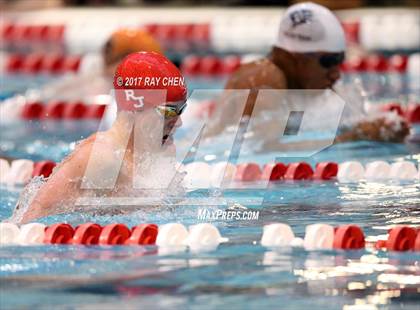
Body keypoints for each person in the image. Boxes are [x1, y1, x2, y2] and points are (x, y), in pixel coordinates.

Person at [12, 52, 187, 223]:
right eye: (169, 111)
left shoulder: (160, 151)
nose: (178, 122)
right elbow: (29, 225)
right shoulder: (102, 156)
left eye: (181, 110)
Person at [205, 2, 409, 143]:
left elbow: (295, 134)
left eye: (339, 61)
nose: (336, 74)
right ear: (294, 57)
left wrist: (375, 127)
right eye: (328, 61)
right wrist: (358, 136)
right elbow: (263, 148)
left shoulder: (305, 85)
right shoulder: (264, 78)